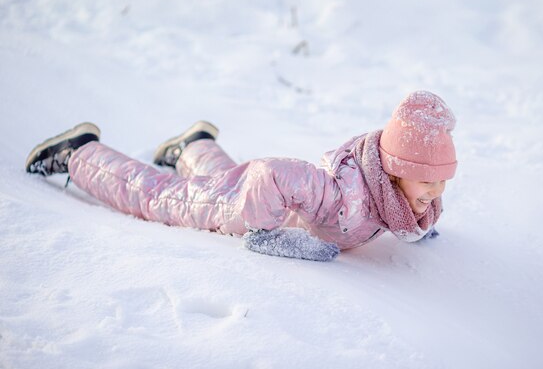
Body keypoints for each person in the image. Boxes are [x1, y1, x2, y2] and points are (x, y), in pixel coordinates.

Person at [24, 91, 457, 262]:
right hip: (249, 209)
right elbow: (271, 174)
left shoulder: (403, 197)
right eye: (427, 182)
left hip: (254, 196)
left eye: (441, 182)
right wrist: (266, 234)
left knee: (220, 178)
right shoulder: (342, 194)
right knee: (158, 196)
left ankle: (191, 145)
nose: (435, 194)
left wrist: (418, 227)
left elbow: (411, 211)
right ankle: (79, 153)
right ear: (396, 173)